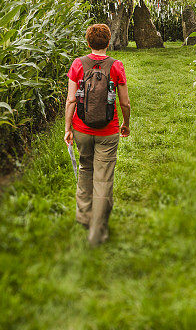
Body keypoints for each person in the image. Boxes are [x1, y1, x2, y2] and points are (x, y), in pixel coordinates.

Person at [64, 23, 130, 247]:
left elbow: (72, 100)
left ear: (88, 41)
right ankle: (97, 231)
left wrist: (67, 128)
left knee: (85, 169)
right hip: (108, 132)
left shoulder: (78, 64)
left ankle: (84, 217)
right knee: (103, 179)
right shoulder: (116, 66)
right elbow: (124, 102)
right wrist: (126, 123)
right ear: (108, 42)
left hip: (81, 129)